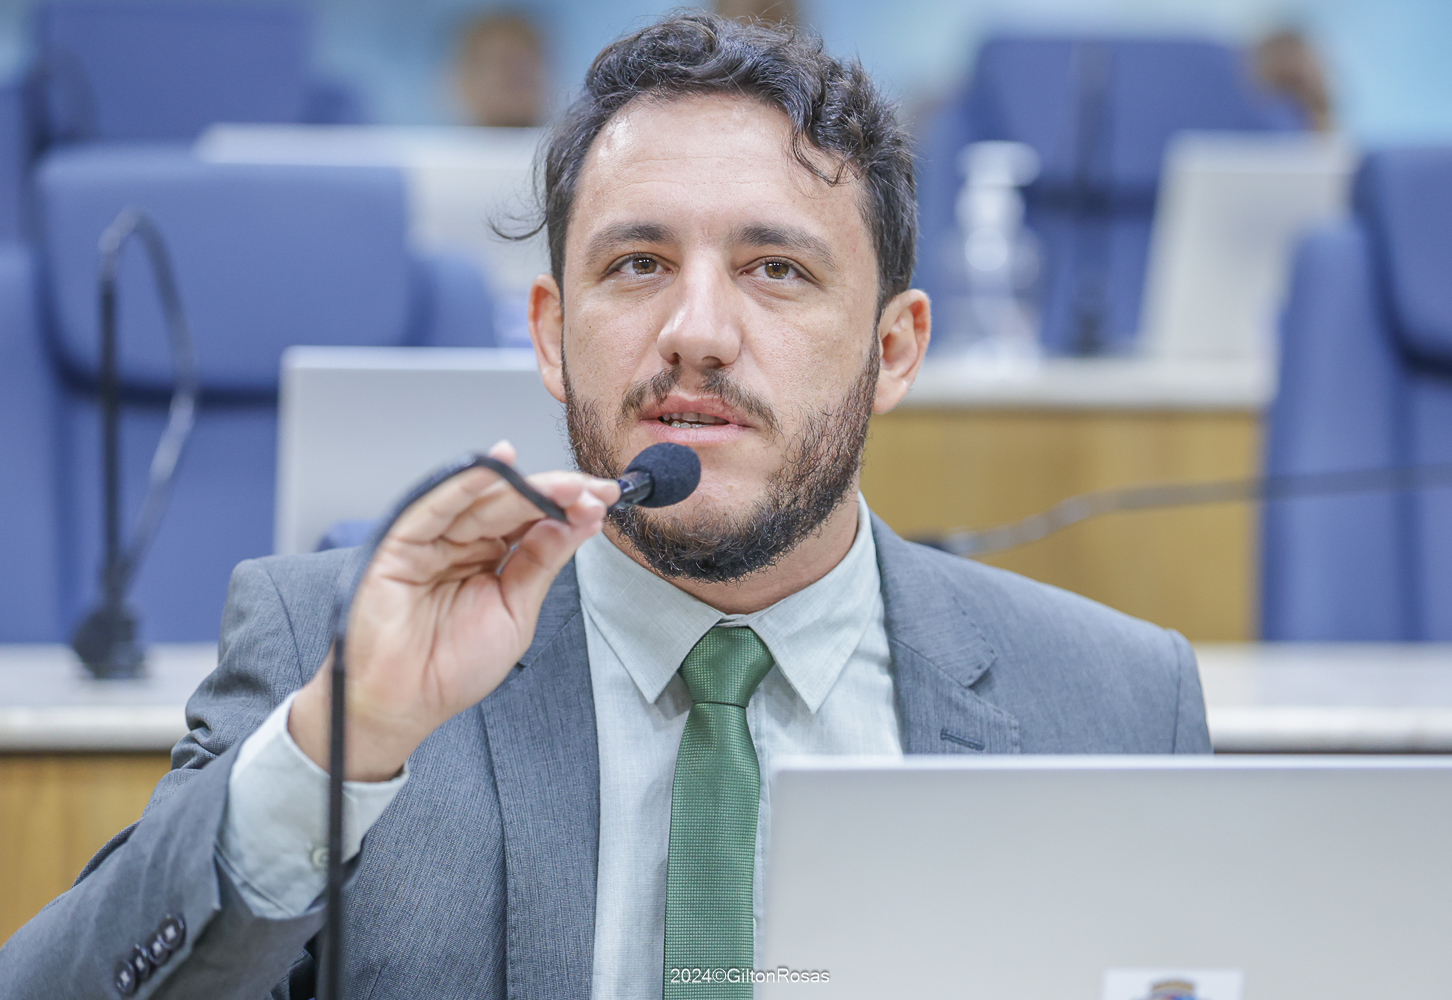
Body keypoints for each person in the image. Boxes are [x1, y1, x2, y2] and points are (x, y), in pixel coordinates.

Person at [0, 13, 1209, 999]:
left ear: (895, 350)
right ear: (549, 334)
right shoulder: (331, 647)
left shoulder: (1110, 704)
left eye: (776, 269)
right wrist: (341, 746)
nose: (696, 332)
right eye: (638, 265)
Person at [455, 11, 547, 128]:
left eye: (521, 62)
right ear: (467, 81)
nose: (512, 74)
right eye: (502, 61)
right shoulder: (440, 139)